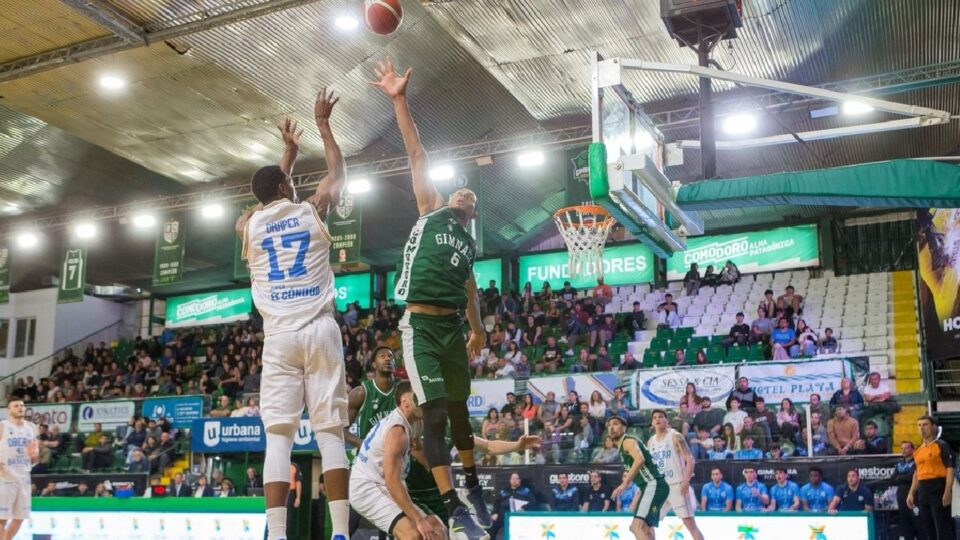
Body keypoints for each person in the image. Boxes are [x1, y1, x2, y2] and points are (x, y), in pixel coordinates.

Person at [372, 57, 490, 538]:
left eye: (469, 196)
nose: (462, 194)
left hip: (453, 328)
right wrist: (399, 100)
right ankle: (452, 504)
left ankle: (472, 485)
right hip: (420, 326)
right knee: (437, 412)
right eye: (459, 191)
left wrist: (478, 328)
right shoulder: (433, 209)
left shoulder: (469, 246)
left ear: (473, 212)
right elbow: (417, 154)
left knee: (460, 409)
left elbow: (470, 289)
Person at [235, 88, 351, 540]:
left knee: (279, 437)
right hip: (319, 328)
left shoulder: (248, 225)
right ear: (286, 187)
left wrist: (286, 158)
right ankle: (340, 533)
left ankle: (278, 535)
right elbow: (337, 173)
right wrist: (323, 126)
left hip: (279, 337)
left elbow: (266, 199)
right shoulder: (310, 209)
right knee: (330, 433)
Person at [351, 381, 539, 540]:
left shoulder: (421, 421)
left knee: (437, 530)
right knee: (413, 533)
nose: (424, 401)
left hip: (402, 487)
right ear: (405, 403)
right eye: (417, 397)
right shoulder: (397, 432)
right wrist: (418, 519)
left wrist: (518, 445)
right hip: (369, 487)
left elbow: (486, 446)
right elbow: (392, 482)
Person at [646, 410, 704, 540]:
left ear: (666, 420)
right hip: (660, 488)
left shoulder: (675, 436)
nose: (657, 419)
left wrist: (686, 481)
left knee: (690, 525)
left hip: (676, 486)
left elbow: (690, 459)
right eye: (654, 417)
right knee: (647, 524)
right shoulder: (651, 441)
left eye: (660, 417)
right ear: (652, 422)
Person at [607, 416, 667, 540]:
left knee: (636, 527)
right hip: (655, 486)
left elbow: (640, 459)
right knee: (646, 529)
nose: (611, 427)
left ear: (624, 427)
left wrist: (624, 484)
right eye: (609, 425)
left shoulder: (627, 442)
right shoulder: (624, 446)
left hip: (653, 485)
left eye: (615, 424)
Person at [907, 415, 956, 540]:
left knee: (943, 528)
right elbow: (917, 473)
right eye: (919, 425)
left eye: (925, 424)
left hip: (938, 488)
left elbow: (950, 469)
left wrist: (947, 492)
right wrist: (911, 493)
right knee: (928, 528)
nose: (922, 428)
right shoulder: (917, 450)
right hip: (923, 491)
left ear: (933, 427)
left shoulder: (942, 445)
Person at [0, 399, 40, 540]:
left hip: (23, 478)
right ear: (9, 410)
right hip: (5, 477)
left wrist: (34, 455)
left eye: (22, 405)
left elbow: (35, 457)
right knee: (2, 518)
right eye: (16, 406)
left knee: (20, 517)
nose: (20, 408)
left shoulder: (31, 427)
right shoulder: (3, 426)